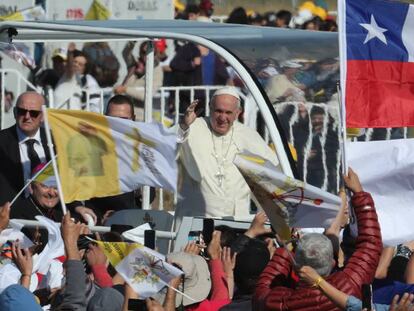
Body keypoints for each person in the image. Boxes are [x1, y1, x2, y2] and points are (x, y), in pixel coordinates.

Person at [253, 168, 383, 311]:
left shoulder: (277, 302)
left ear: (296, 266)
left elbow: (262, 289)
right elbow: (370, 244)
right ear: (332, 261)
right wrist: (359, 194)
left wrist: (287, 247)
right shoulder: (350, 285)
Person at [175, 87, 279, 223]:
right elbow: (168, 150)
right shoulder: (192, 127)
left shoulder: (249, 136)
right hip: (196, 218)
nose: (222, 118)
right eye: (218, 111)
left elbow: (272, 176)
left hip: (236, 219)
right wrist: (183, 126)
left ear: (238, 113)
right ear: (210, 108)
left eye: (228, 112)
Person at [0, 92, 50, 205]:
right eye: (22, 111)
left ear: (42, 116)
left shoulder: (54, 141)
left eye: (33, 113)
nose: (27, 117)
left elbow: (66, 180)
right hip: (12, 215)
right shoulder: (2, 141)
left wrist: (77, 207)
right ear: (14, 112)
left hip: (49, 214)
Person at [54, 44, 101, 113]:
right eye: (75, 62)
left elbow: (70, 68)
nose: (76, 65)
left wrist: (70, 53)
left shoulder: (75, 77)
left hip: (68, 118)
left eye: (80, 64)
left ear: (85, 69)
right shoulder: (64, 76)